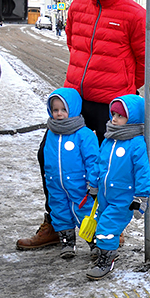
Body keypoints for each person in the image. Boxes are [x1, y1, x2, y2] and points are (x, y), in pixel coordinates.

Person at [17, 0, 145, 251]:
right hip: (74, 100)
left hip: (111, 106)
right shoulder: (76, 9)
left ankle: (107, 227)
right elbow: (74, 46)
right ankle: (55, 223)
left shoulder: (134, 14)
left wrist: (122, 90)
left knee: (105, 169)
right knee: (49, 157)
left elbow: (143, 62)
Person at [87, 95, 150, 280]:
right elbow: (99, 163)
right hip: (105, 195)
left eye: (120, 116)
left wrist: (141, 197)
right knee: (101, 222)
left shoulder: (136, 143)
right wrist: (93, 183)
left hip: (122, 198)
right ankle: (104, 250)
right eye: (113, 114)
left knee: (108, 226)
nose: (114, 119)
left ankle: (107, 259)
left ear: (132, 118)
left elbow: (142, 171)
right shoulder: (109, 139)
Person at [43, 87, 100, 259]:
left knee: (84, 211)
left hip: (79, 184)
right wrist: (49, 177)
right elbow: (48, 157)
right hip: (56, 183)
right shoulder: (52, 133)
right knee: (59, 210)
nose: (59, 114)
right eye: (55, 110)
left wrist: (93, 181)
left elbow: (93, 159)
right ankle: (67, 241)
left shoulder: (84, 134)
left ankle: (95, 241)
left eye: (63, 110)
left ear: (73, 109)